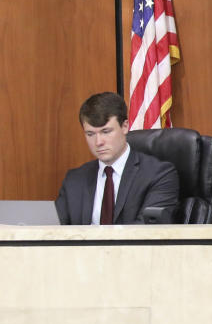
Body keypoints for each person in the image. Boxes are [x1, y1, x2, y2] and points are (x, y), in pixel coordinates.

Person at [55, 92, 179, 225]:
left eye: (106, 132)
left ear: (125, 126)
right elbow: (54, 230)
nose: (98, 142)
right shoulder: (75, 179)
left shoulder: (158, 174)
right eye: (90, 134)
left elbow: (149, 230)